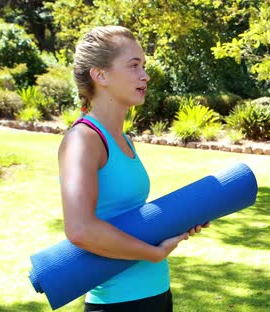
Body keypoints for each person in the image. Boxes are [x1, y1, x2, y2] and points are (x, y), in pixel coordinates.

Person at [58, 26, 207, 312]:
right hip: (117, 302)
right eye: (134, 66)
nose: (145, 75)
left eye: (144, 65)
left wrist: (181, 220)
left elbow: (128, 216)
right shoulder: (83, 140)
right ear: (100, 75)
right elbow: (80, 229)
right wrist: (152, 253)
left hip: (157, 292)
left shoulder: (124, 139)